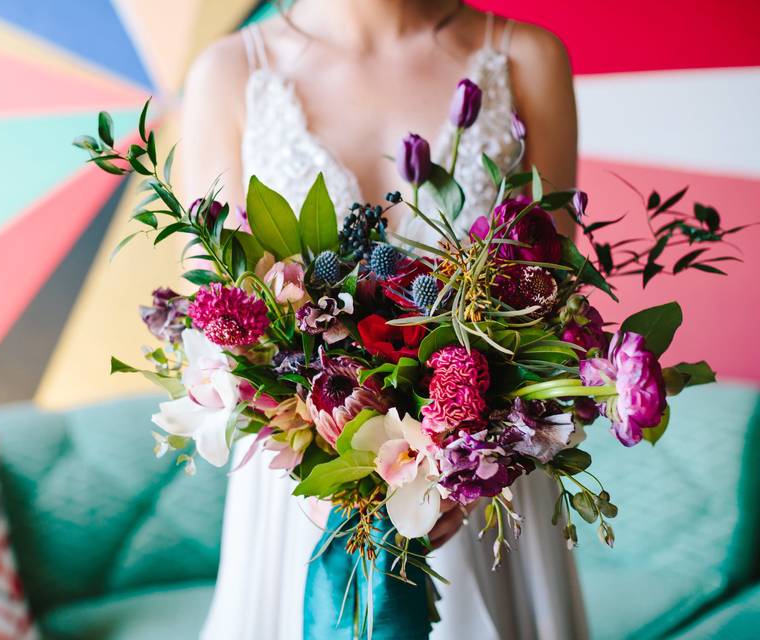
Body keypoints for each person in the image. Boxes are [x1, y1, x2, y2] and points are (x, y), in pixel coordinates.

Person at [180, 1, 585, 638]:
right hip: (303, 487)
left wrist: (470, 457)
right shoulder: (231, 71)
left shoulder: (526, 57)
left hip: (481, 473)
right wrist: (316, 452)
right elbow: (215, 310)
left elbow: (551, 292)